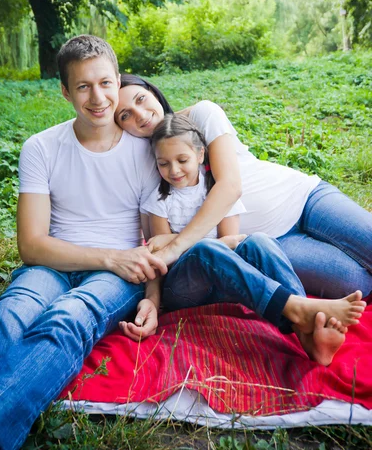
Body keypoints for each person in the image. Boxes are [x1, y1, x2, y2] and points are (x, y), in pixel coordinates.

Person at [0, 36, 170, 450]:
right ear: (65, 91)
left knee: (67, 319)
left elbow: (155, 237)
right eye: (83, 86)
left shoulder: (144, 151)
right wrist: (111, 256)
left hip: (120, 275)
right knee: (9, 315)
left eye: (105, 83)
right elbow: (32, 245)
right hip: (53, 263)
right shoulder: (41, 148)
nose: (97, 98)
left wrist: (153, 297)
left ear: (118, 81)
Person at [119, 113, 366, 367]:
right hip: (183, 287)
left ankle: (308, 330)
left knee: (259, 240)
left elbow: (233, 243)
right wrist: (154, 300)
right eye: (163, 163)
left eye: (182, 160)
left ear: (200, 155)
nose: (174, 170)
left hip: (223, 278)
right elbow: (162, 256)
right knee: (206, 248)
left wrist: (202, 243)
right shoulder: (160, 202)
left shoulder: (216, 192)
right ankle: (299, 310)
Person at [116, 74, 372, 299]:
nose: (139, 115)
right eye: (125, 115)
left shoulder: (202, 115)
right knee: (357, 283)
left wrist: (175, 246)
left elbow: (229, 187)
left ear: (152, 91)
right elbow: (156, 232)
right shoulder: (151, 162)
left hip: (304, 199)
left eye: (140, 99)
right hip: (270, 242)